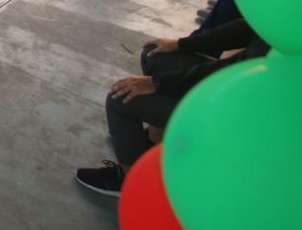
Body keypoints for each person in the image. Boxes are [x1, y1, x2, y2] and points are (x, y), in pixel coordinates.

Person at [75, 17, 268, 196]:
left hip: (239, 111)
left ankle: (131, 180)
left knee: (121, 99)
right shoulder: (280, 16)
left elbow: (232, 72)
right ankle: (153, 145)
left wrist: (158, 82)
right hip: (233, 89)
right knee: (153, 53)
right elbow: (247, 28)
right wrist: (180, 44)